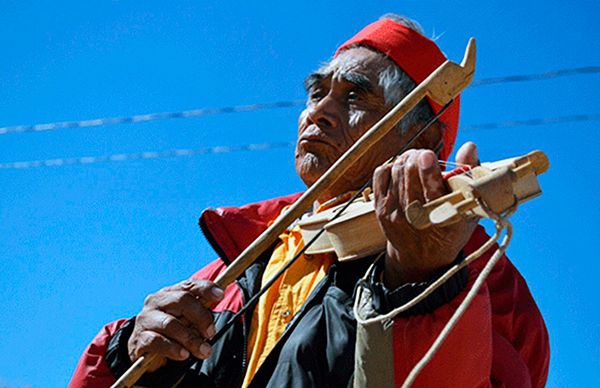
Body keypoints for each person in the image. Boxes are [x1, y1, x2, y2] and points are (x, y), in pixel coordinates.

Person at [70, 14, 549, 387]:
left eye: (355, 97)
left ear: (418, 139)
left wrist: (424, 288)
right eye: (316, 92)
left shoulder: (481, 274)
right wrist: (126, 352)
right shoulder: (230, 269)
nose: (317, 112)